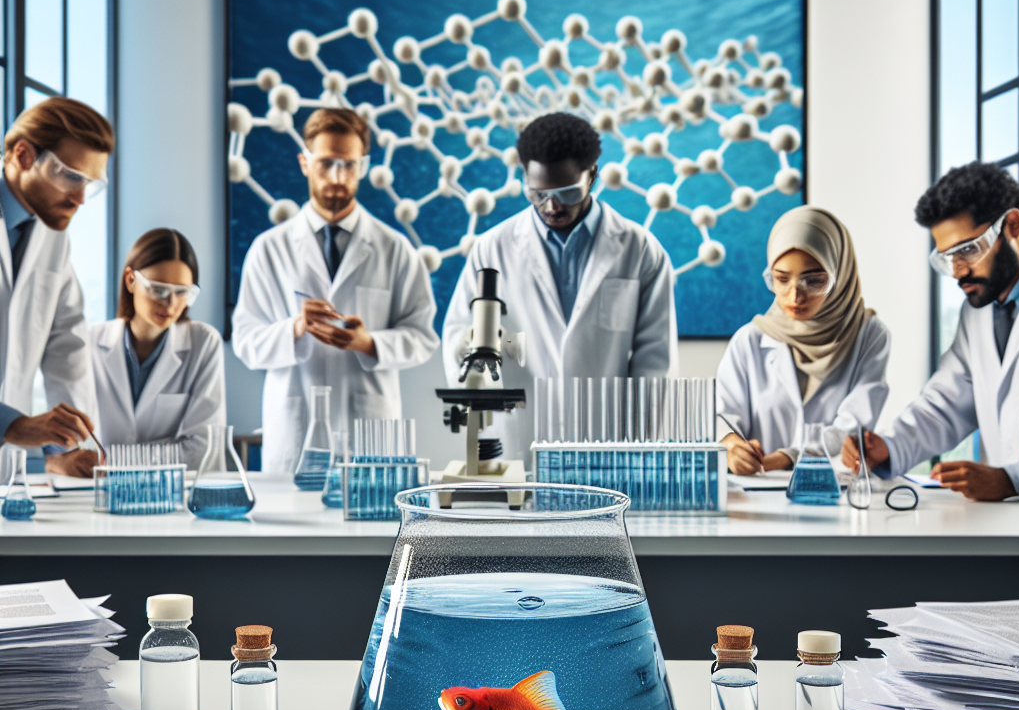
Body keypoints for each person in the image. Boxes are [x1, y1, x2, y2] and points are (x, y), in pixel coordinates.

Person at [442, 112, 678, 461]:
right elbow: (458, 338)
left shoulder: (640, 250)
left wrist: (637, 450)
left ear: (592, 176)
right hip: (520, 440)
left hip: (608, 443)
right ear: (524, 177)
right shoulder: (493, 248)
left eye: (566, 192)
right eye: (537, 193)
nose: (551, 206)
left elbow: (654, 364)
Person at [232, 108, 439, 474]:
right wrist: (295, 329)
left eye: (349, 165)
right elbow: (246, 342)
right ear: (304, 162)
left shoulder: (395, 249)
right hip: (294, 437)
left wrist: (370, 343)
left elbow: (423, 337)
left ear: (363, 165)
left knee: (372, 528)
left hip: (370, 438)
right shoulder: (269, 249)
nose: (338, 177)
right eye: (326, 163)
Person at [842, 162, 1019, 500]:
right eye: (947, 258)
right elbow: (946, 405)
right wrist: (889, 446)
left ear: (1013, 226)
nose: (958, 272)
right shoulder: (979, 313)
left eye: (969, 250)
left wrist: (1013, 479)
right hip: (1006, 527)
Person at [718, 206, 890, 474]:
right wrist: (731, 445)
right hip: (756, 498)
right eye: (781, 279)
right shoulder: (749, 340)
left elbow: (852, 430)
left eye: (814, 281)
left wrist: (789, 457)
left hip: (836, 496)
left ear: (840, 275)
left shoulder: (870, 336)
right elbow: (722, 417)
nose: (795, 296)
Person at [0, 97, 111, 476]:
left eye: (90, 184)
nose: (80, 199)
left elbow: (67, 344)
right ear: (23, 155)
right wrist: (11, 425)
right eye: (71, 176)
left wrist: (62, 446)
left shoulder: (52, 236)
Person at [90, 228, 225, 470]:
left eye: (182, 292)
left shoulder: (204, 343)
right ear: (131, 280)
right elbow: (76, 442)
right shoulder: (91, 342)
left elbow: (202, 451)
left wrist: (110, 460)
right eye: (158, 289)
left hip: (179, 494)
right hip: (103, 491)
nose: (171, 304)